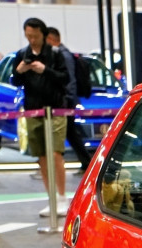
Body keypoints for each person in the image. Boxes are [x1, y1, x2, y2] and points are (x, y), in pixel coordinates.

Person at [11, 17, 68, 216]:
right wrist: (19, 71)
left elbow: (65, 78)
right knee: (42, 156)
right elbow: (15, 81)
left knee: (55, 153)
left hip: (55, 110)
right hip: (32, 110)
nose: (32, 40)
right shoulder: (21, 54)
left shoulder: (55, 54)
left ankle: (62, 197)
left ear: (43, 34)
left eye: (35, 36)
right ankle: (51, 198)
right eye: (28, 36)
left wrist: (46, 70)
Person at [45, 27, 89, 170]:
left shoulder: (63, 55)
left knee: (68, 134)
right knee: (71, 134)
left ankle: (85, 163)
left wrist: (68, 99)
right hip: (67, 101)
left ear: (51, 39)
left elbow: (69, 80)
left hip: (66, 102)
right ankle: (86, 163)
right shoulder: (63, 54)